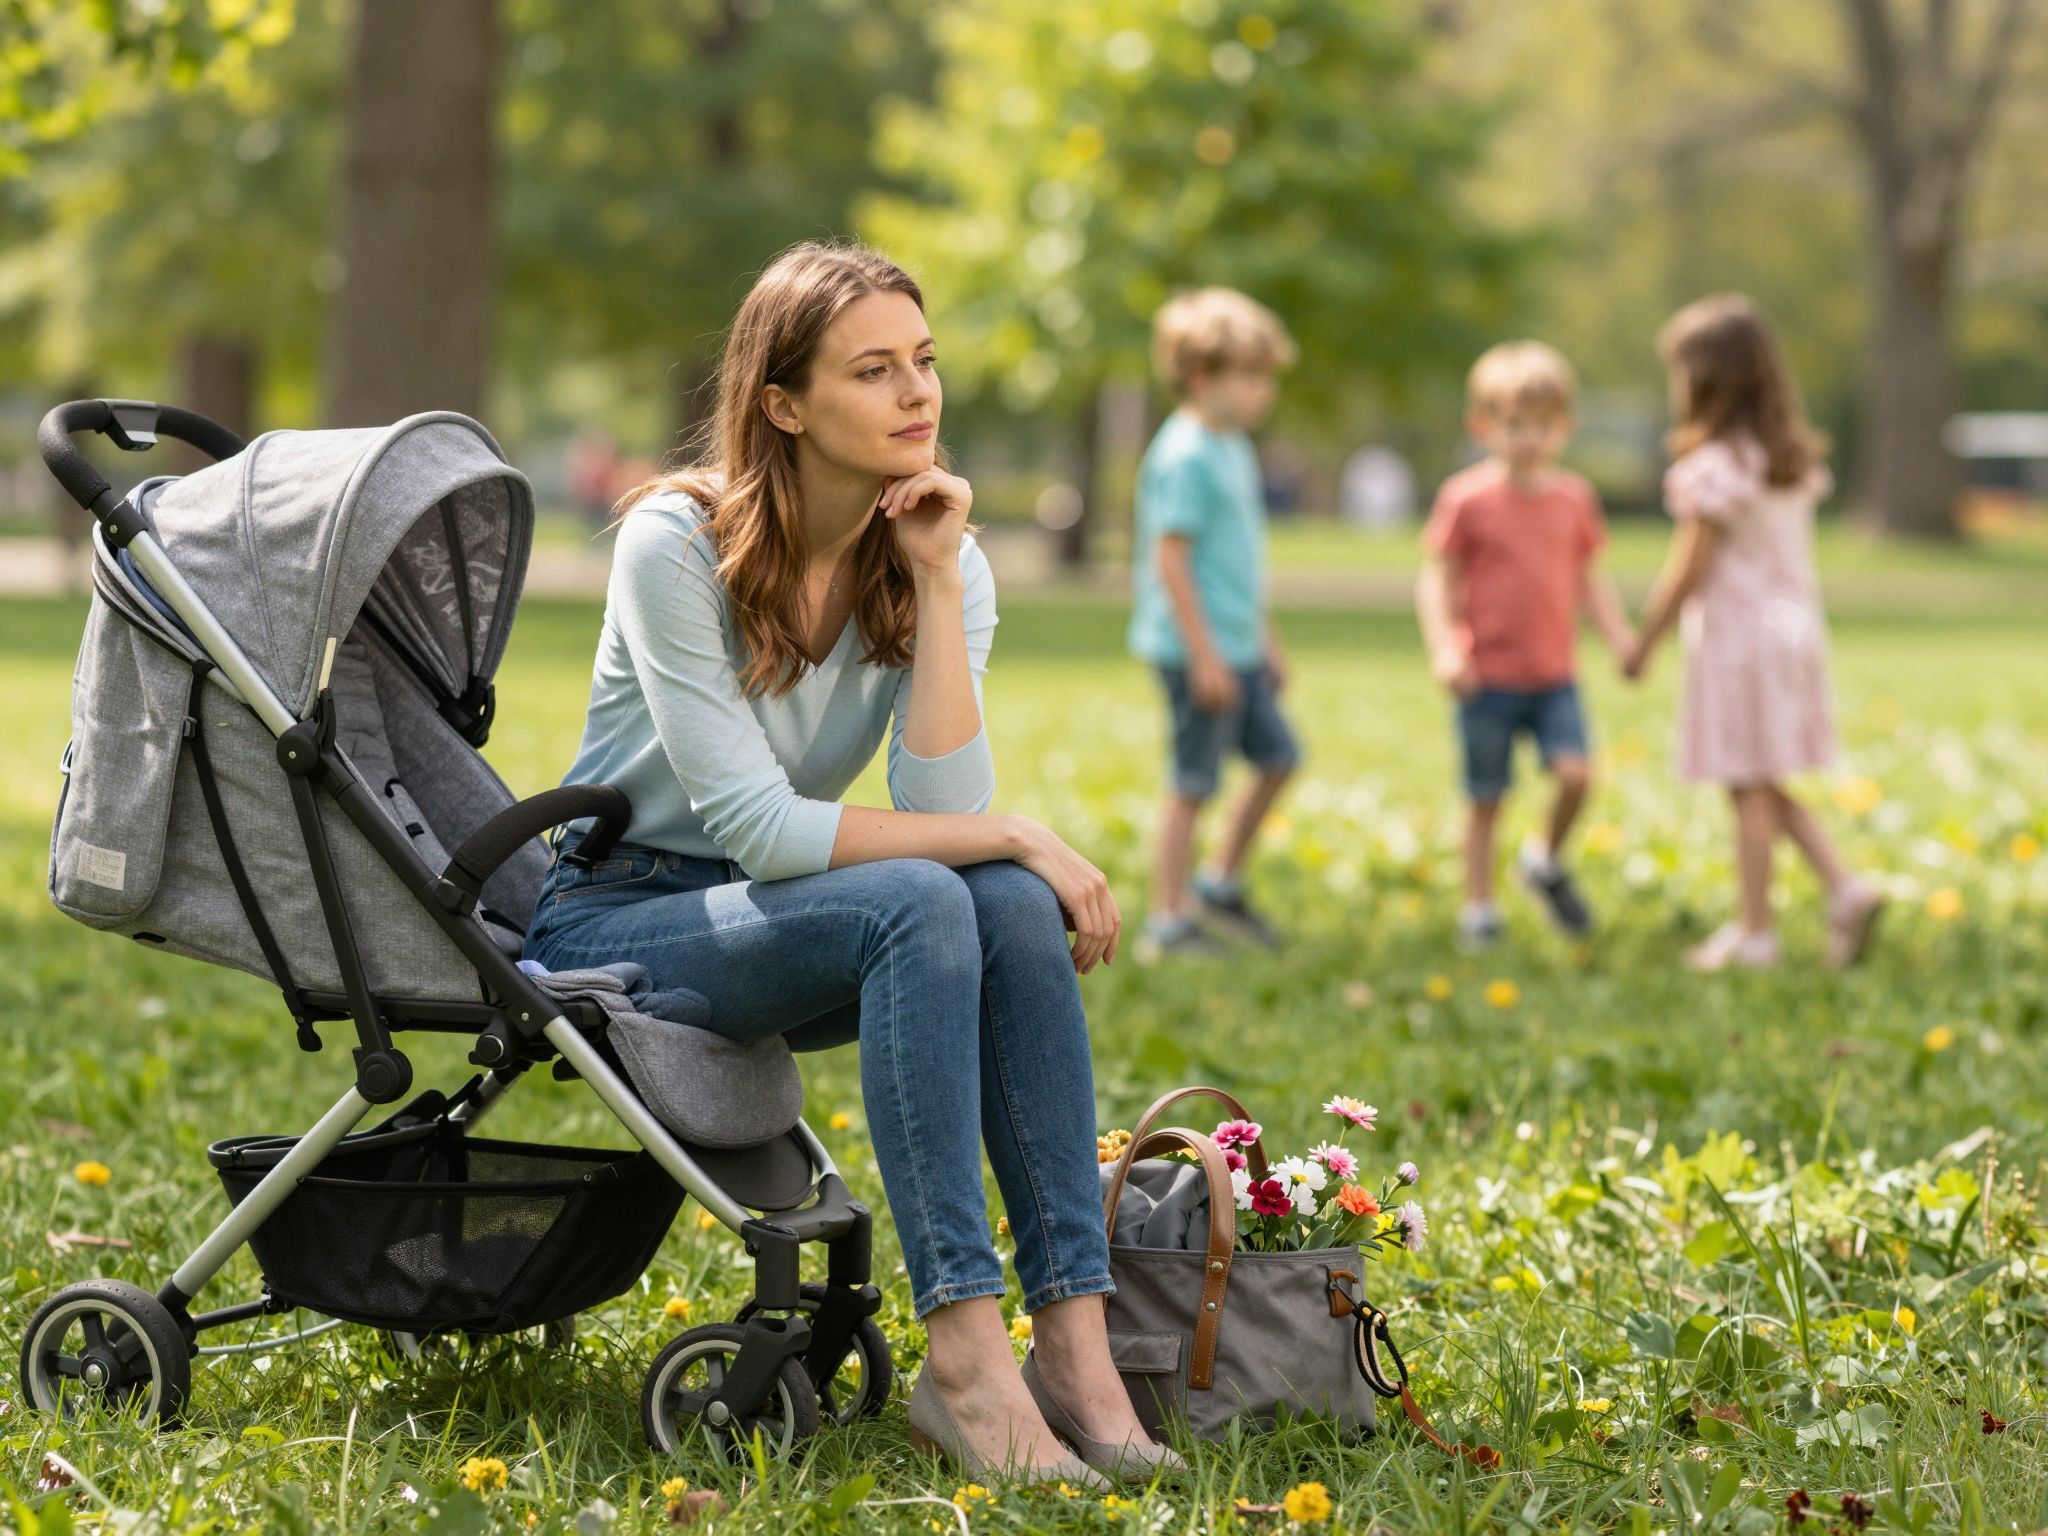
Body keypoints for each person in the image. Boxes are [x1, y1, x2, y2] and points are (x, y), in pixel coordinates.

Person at [523, 242, 1176, 1486]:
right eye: (871, 371)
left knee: (994, 903)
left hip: (778, 916)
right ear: (781, 404)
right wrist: (1022, 835)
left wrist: (933, 577)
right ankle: (968, 1364)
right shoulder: (673, 542)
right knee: (948, 885)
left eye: (921, 362)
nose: (915, 394)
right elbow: (768, 829)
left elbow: (938, 799)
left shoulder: (941, 554)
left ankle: (1075, 1355)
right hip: (620, 917)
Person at [1624, 294, 1884, 970]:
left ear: (1701, 379)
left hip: (1739, 643)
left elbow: (1689, 568)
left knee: (1743, 785)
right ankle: (1845, 889)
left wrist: (1645, 638)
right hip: (1794, 634)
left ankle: (1756, 932)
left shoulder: (1712, 468)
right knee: (1764, 780)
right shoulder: (1784, 461)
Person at [1417, 342, 1632, 947]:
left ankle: (1543, 860)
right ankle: (1479, 909)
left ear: (1565, 428)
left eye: (1544, 426)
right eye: (1515, 425)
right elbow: (1437, 578)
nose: (1530, 439)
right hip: (1486, 679)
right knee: (1487, 797)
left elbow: (1590, 581)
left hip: (1554, 676)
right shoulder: (1467, 500)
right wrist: (1445, 647)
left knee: (1576, 776)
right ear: (1482, 426)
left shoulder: (1575, 501)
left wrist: (1621, 641)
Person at [1127, 287, 1302, 957]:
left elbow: (1240, 561)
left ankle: (1219, 884)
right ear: (1201, 377)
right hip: (1194, 650)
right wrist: (1204, 655)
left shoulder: (1232, 445)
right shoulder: (1186, 454)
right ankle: (1168, 922)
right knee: (1192, 783)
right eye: (1251, 377)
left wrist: (1265, 640)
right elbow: (1170, 561)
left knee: (1279, 758)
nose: (1264, 392)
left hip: (1238, 644)